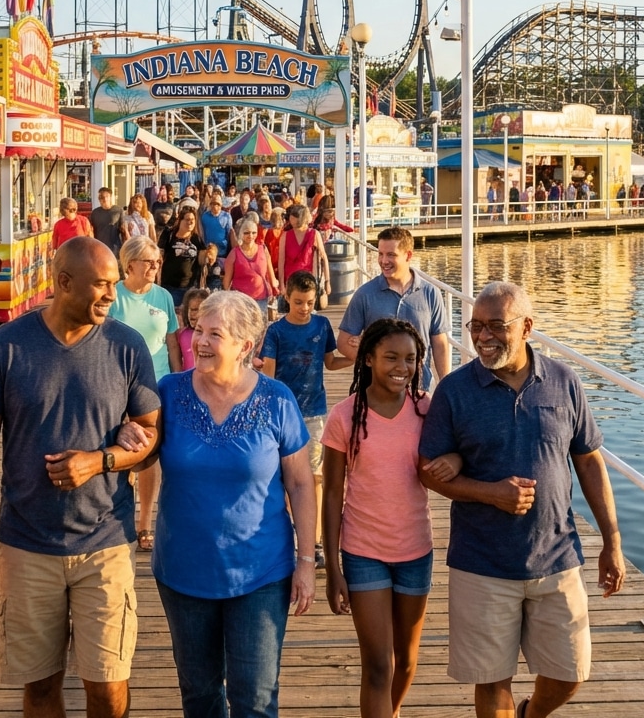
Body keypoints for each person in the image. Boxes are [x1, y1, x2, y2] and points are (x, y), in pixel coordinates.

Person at [0, 237, 162, 718]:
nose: (112, 295)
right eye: (102, 285)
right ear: (64, 283)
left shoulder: (126, 346)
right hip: (26, 543)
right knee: (40, 687)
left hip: (106, 541)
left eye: (114, 284)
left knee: (108, 688)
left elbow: (152, 436)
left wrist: (100, 460)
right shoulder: (7, 345)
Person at [418, 281, 626, 718]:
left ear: (527, 327)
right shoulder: (454, 391)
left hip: (556, 556)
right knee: (492, 679)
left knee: (570, 671)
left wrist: (612, 541)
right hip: (482, 562)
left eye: (496, 325)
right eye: (476, 326)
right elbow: (427, 470)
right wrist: (491, 493)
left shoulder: (564, 382)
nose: (483, 336)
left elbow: (589, 461)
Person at [119, 291, 316, 718]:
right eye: (199, 331)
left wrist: (306, 561)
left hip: (260, 572)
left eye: (215, 334)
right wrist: (127, 436)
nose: (200, 342)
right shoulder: (168, 393)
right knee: (200, 695)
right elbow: (143, 456)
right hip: (183, 571)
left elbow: (301, 484)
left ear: (245, 346)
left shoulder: (277, 399)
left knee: (255, 699)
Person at [322, 318, 460, 718]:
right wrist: (333, 569)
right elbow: (331, 494)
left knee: (407, 661)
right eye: (391, 357)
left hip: (416, 551)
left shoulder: (426, 409)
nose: (403, 367)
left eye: (411, 359)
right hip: (363, 552)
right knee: (379, 664)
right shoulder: (344, 416)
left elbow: (458, 451)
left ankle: (392, 711)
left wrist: (454, 459)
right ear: (368, 359)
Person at [261, 270, 352, 567]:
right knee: (280, 476)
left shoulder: (322, 325)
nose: (304, 308)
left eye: (310, 302)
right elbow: (269, 376)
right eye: (298, 302)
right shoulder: (275, 331)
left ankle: (314, 541)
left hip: (314, 412)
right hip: (283, 414)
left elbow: (331, 362)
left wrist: (359, 356)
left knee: (314, 476)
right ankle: (285, 536)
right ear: (287, 297)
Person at [108, 236, 182, 555]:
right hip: (118, 385)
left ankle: (145, 522)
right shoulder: (114, 296)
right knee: (122, 450)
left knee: (149, 453)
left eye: (157, 262)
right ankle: (118, 516)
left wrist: (179, 381)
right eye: (149, 262)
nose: (154, 266)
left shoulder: (163, 296)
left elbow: (172, 343)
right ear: (130, 264)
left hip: (157, 384)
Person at [337, 227, 450, 391]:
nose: (384, 261)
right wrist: (369, 353)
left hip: (419, 388)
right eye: (380, 254)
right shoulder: (364, 294)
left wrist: (446, 386)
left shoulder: (431, 293)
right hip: (376, 390)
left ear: (408, 255)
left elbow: (440, 343)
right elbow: (343, 343)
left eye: (391, 255)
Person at [224, 214, 279, 315]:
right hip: (240, 300)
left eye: (254, 232)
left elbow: (271, 274)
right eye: (247, 233)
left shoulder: (263, 249)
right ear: (241, 234)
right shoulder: (234, 253)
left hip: (261, 298)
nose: (250, 236)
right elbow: (226, 282)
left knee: (260, 324)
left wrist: (274, 290)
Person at [278, 203, 330, 298]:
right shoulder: (285, 236)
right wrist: (281, 284)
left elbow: (324, 257)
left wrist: (327, 281)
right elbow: (281, 261)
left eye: (294, 217)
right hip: (291, 281)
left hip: (308, 281)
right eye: (291, 217)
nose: (291, 220)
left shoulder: (314, 234)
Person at [158, 206, 205, 307]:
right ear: (180, 220)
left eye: (192, 220)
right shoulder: (169, 235)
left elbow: (204, 260)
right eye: (187, 219)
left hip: (190, 287)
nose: (190, 222)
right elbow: (159, 256)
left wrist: (211, 252)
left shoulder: (196, 238)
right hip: (171, 286)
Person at [177, 287, 210, 369]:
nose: (192, 313)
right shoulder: (182, 335)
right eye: (190, 309)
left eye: (196, 309)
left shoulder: (211, 336)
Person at [90, 187, 126, 257]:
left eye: (106, 196)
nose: (104, 199)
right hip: (99, 247)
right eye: (101, 197)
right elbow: (91, 230)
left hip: (114, 248)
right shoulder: (95, 213)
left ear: (110, 197)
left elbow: (123, 229)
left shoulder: (118, 210)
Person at [199, 193, 234, 259]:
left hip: (222, 252)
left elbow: (229, 233)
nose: (215, 206)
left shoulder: (227, 216)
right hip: (209, 251)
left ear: (221, 205)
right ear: (210, 204)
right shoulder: (204, 216)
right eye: (213, 203)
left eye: (218, 204)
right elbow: (202, 232)